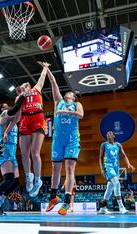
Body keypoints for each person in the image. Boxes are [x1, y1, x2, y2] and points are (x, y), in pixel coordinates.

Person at [44, 68, 83, 215]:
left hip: (72, 139)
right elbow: (54, 83)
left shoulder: (76, 105)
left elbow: (80, 115)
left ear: (73, 97)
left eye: (71, 93)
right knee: (55, 169)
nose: (68, 93)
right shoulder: (58, 101)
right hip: (58, 138)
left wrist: (65, 112)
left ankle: (67, 201)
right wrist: (47, 69)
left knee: (69, 169)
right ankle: (53, 197)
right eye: (67, 92)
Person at [0, 95, 25, 215]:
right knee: (8, 179)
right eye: (4, 107)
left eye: (7, 106)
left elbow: (18, 112)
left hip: (11, 151)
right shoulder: (2, 117)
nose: (7, 107)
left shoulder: (13, 121)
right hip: (4, 149)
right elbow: (15, 109)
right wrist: (24, 94)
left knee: (16, 182)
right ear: (1, 110)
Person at [18, 61, 49, 197]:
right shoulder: (20, 97)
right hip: (25, 119)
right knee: (24, 153)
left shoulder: (36, 88)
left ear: (29, 85)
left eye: (26, 83)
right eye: (22, 85)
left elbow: (42, 78)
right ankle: (28, 177)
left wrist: (45, 68)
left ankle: (38, 180)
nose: (25, 85)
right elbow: (16, 112)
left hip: (37, 117)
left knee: (35, 152)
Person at [98, 131, 135, 214]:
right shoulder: (104, 145)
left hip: (116, 167)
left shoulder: (118, 145)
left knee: (110, 188)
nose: (108, 134)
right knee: (117, 183)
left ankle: (102, 208)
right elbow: (100, 158)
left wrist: (128, 164)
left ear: (114, 136)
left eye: (110, 133)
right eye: (107, 134)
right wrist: (102, 169)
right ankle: (121, 207)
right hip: (108, 166)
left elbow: (124, 156)